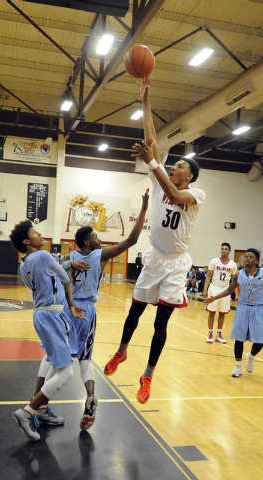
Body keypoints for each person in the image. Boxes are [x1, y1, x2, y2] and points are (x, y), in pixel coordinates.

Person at [104, 76, 206, 404]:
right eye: (171, 164)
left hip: (176, 265)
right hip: (155, 257)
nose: (171, 166)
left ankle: (147, 376)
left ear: (188, 175)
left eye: (177, 165)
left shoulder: (194, 193)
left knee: (160, 322)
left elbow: (173, 191)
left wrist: (152, 162)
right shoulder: (161, 177)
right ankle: (121, 352)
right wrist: (145, 101)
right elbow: (151, 140)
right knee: (134, 312)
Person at [33, 190, 149, 430]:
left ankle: (38, 403)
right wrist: (144, 210)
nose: (100, 239)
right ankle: (89, 397)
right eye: (96, 236)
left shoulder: (68, 256)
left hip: (65, 308)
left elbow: (48, 270)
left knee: (51, 355)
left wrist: (67, 264)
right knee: (85, 358)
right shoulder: (101, 255)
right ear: (88, 241)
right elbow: (131, 241)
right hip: (85, 311)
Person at [9, 220, 87, 441]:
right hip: (52, 314)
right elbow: (64, 278)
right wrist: (67, 268)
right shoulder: (42, 256)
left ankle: (41, 409)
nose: (40, 233)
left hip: (44, 313)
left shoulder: (25, 263)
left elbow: (55, 269)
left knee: (53, 360)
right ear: (26, 240)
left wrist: (63, 263)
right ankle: (28, 411)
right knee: (67, 372)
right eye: (35, 232)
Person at [205, 248, 263, 377]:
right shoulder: (239, 274)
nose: (247, 258)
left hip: (258, 308)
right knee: (239, 338)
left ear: (257, 260)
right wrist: (214, 297)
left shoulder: (262, 274)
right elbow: (229, 289)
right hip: (243, 307)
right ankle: (238, 367)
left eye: (251, 257)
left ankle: (251, 356)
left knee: (260, 340)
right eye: (246, 256)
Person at [203, 243, 238, 344]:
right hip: (214, 287)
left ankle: (219, 334)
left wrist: (236, 294)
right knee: (212, 312)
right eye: (222, 249)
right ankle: (210, 333)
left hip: (226, 290)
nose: (223, 250)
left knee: (222, 313)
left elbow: (234, 281)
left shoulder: (233, 264)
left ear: (229, 251)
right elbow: (208, 276)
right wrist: (205, 289)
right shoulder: (214, 261)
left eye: (225, 249)